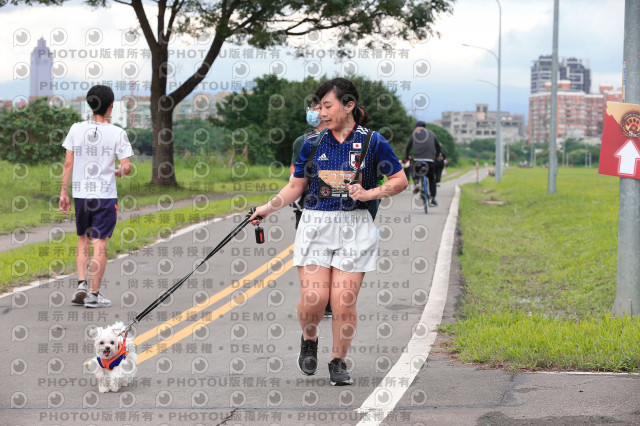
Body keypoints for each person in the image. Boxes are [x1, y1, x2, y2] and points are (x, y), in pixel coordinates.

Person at [250, 77, 407, 386]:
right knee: (314, 298)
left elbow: (400, 181)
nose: (320, 112)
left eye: (327, 106)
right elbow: (296, 186)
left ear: (348, 106)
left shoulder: (373, 141)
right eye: (318, 106)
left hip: (355, 227)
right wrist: (267, 208)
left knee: (343, 300)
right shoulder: (311, 143)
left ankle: (338, 360)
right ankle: (309, 339)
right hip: (315, 224)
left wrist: (370, 193)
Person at [59, 85, 134, 308]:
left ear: (90, 104)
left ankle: (81, 283)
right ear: (111, 106)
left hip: (81, 195)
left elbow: (68, 163)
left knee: (83, 239)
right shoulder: (118, 132)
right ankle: (93, 294)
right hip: (105, 196)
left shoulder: (75, 129)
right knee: (100, 243)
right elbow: (126, 166)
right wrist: (121, 171)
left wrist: (64, 192)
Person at [290, 102, 333, 318]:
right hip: (305, 206)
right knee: (311, 256)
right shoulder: (302, 141)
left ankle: (329, 301)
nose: (314, 111)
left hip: (334, 208)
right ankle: (317, 301)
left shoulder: (343, 140)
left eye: (319, 107)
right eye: (312, 107)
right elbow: (294, 173)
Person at [405, 121, 442, 207]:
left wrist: (407, 156)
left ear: (417, 127)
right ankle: (433, 199)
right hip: (430, 160)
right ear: (424, 127)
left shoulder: (414, 133)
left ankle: (416, 182)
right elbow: (438, 146)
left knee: (414, 170)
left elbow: (408, 146)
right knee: (432, 178)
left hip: (417, 160)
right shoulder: (432, 133)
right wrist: (436, 156)